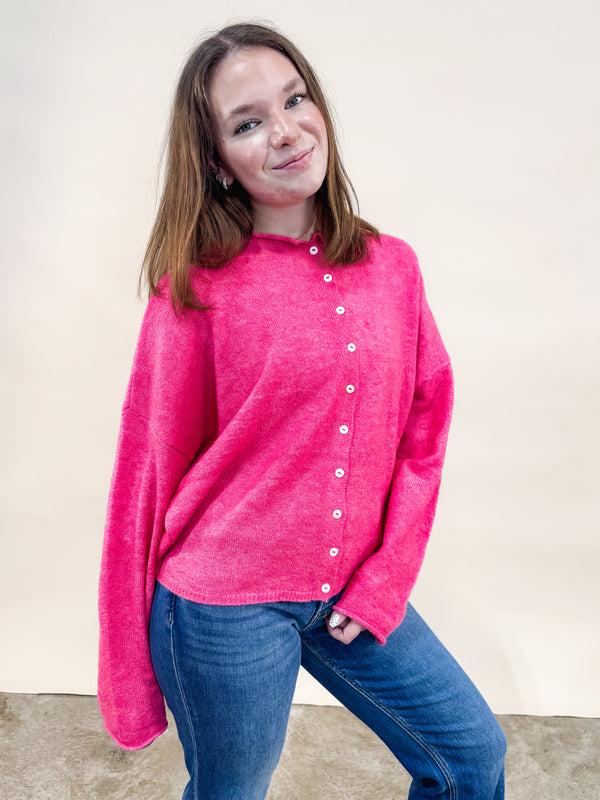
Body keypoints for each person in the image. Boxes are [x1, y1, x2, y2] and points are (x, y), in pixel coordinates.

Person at [98, 21, 507, 800]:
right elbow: (146, 473)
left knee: (470, 757)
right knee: (234, 789)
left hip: (353, 586)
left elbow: (425, 431)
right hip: (222, 604)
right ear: (218, 162)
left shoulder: (393, 268)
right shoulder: (195, 291)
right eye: (248, 123)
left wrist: (388, 576)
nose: (285, 132)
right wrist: (124, 665)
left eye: (295, 100)